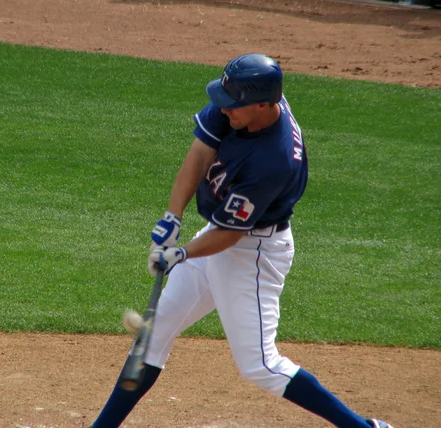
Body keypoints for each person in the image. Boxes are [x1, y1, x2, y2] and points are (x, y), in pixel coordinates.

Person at [88, 54, 393, 428]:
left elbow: (231, 234)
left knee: (260, 365)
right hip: (217, 239)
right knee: (154, 336)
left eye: (233, 106)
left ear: (264, 105)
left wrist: (180, 252)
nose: (224, 110)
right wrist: (173, 216)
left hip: (253, 252)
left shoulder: (273, 160)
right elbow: (200, 154)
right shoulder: (241, 101)